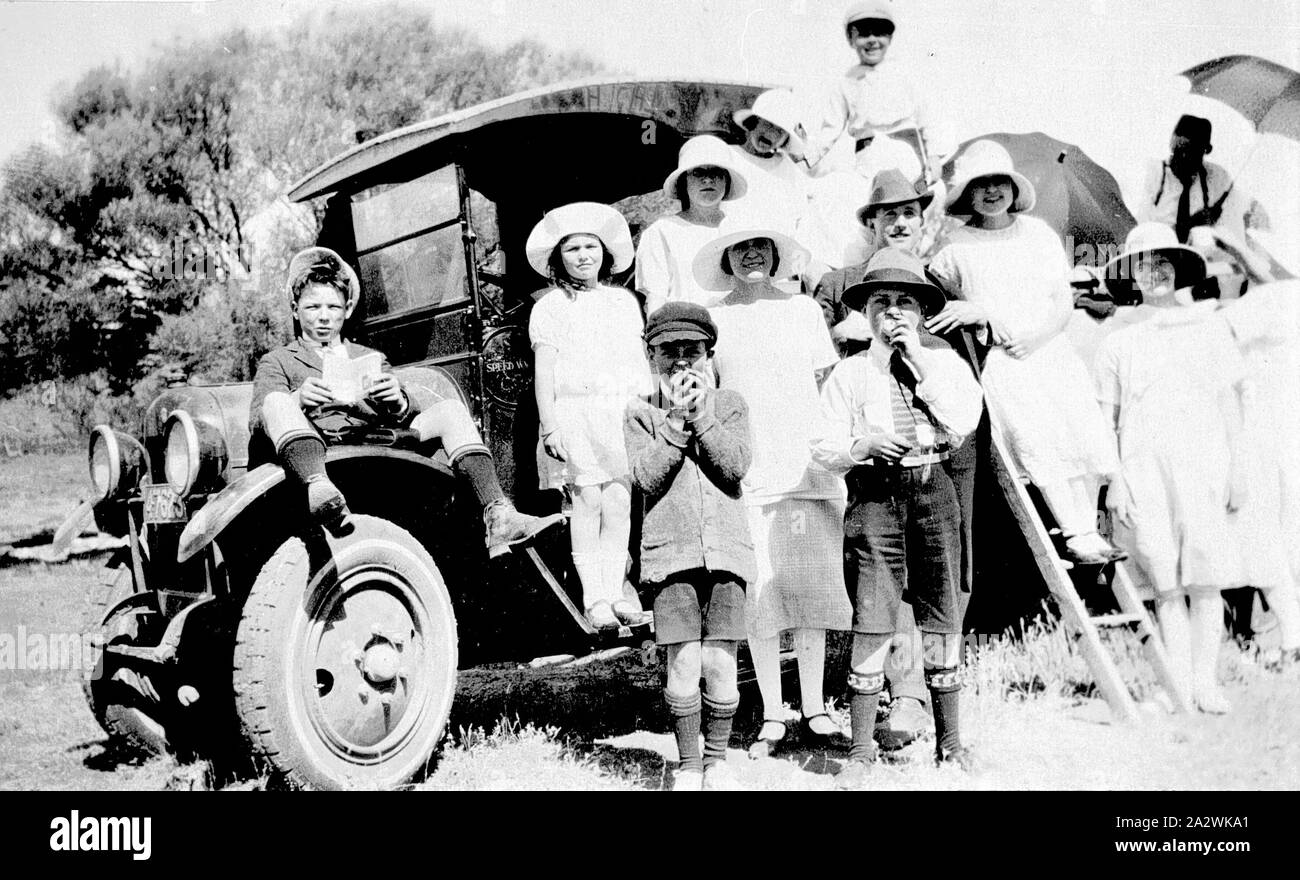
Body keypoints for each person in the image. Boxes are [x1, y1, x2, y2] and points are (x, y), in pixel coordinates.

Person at [1094, 223, 1295, 712]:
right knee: (1166, 583)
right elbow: (1106, 419)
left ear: (1181, 269)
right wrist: (1115, 482)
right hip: (1144, 471)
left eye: (1165, 262)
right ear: (1131, 276)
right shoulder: (1117, 338)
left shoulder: (1209, 328)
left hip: (1204, 465)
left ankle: (1205, 682)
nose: (1156, 272)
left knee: (1205, 580)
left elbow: (1231, 406)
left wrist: (1238, 470)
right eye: (1144, 264)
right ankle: (1176, 685)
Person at [250, 247, 559, 556]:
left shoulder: (367, 357)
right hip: (322, 448)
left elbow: (406, 410)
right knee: (276, 400)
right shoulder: (278, 361)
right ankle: (319, 490)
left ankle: (498, 514)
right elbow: (259, 419)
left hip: (378, 440)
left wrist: (397, 400)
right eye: (312, 307)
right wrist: (297, 398)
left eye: (332, 307)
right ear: (295, 309)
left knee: (450, 411)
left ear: (346, 310)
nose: (323, 316)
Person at [812, 248, 984, 785]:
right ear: (865, 313)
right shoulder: (850, 373)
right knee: (874, 614)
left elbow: (963, 420)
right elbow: (822, 443)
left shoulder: (945, 363)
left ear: (921, 311)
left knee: (939, 614)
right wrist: (861, 444)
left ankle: (950, 743)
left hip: (934, 488)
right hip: (876, 497)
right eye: (881, 303)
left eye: (904, 303)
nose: (892, 313)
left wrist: (921, 364)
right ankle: (861, 749)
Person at [693, 216, 853, 756]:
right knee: (761, 594)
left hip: (806, 469)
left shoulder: (803, 309)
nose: (752, 256)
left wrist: (833, 447)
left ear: (776, 253)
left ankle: (814, 707)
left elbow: (827, 385)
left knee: (808, 589)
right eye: (740, 248)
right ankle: (774, 714)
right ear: (726, 258)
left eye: (761, 246)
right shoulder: (714, 320)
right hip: (748, 472)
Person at [928, 140, 1123, 566]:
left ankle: (1088, 529)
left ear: (1014, 189)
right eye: (981, 186)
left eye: (1000, 183)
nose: (993, 192)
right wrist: (977, 315)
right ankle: (1073, 533)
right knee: (1039, 438)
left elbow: (1062, 300)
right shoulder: (954, 248)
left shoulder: (1038, 234)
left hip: (1050, 348)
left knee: (1079, 433)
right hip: (1004, 360)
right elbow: (945, 303)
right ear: (969, 195)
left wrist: (1039, 337)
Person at [625, 302, 755, 791]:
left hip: (727, 553)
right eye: (668, 353)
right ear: (651, 356)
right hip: (670, 556)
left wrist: (701, 417)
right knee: (682, 662)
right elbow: (645, 475)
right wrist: (676, 422)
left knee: (721, 661)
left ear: (709, 355)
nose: (681, 363)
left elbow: (735, 466)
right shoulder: (640, 414)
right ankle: (688, 763)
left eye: (692, 352)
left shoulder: (732, 404)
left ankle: (717, 759)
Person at [528, 203, 654, 630]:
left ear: (605, 252)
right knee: (587, 500)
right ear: (558, 257)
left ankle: (618, 589)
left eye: (590, 246)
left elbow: (636, 364)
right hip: (575, 413)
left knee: (619, 501)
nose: (583, 255)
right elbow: (544, 370)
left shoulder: (622, 302)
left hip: (617, 411)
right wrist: (550, 424)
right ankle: (594, 595)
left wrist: (642, 410)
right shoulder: (550, 307)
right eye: (572, 248)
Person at [800, 1, 953, 186]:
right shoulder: (845, 83)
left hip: (907, 152)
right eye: (863, 34)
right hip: (869, 156)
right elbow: (830, 130)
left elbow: (927, 117)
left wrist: (933, 155)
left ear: (889, 38)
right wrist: (806, 154)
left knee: (911, 198)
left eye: (880, 33)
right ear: (851, 39)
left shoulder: (904, 73)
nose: (872, 40)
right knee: (875, 202)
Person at [812, 167, 933, 354]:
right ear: (871, 224)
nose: (901, 224)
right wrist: (836, 334)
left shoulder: (939, 288)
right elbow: (809, 352)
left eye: (909, 213)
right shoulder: (835, 286)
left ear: (921, 221)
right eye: (890, 214)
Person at [635, 135, 750, 316]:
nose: (708, 180)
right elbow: (655, 298)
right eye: (698, 173)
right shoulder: (661, 232)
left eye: (716, 173)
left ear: (726, 180)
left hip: (735, 327)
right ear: (684, 181)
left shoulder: (742, 230)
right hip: (685, 333)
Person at [1138, 114, 1254, 245]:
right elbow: (1142, 232)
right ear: (1172, 146)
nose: (1184, 159)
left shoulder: (1217, 179)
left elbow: (1231, 233)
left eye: (1192, 154)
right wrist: (1192, 223)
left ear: (1204, 152)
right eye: (1180, 152)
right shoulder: (1154, 173)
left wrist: (1213, 225)